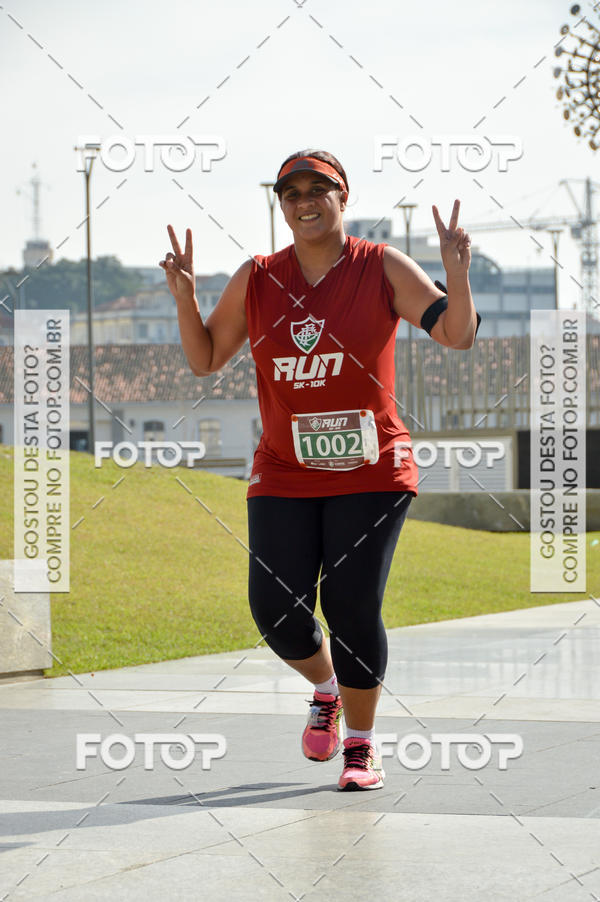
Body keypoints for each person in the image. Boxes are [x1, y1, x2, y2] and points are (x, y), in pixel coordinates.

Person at [160, 149, 480, 791]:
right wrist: (186, 300)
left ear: (343, 195)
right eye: (291, 192)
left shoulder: (382, 265)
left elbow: (457, 335)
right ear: (280, 204)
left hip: (372, 468)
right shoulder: (256, 277)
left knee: (351, 603)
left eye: (318, 189)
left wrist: (455, 273)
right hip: (284, 470)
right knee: (274, 606)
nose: (304, 201)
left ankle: (360, 747)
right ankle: (327, 690)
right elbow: (204, 361)